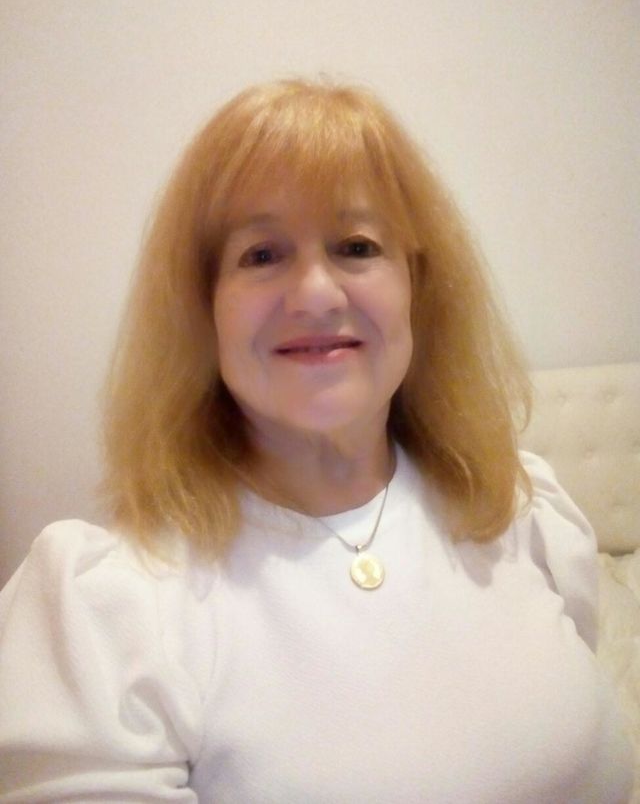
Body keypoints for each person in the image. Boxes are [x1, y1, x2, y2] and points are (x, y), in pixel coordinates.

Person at [0, 79, 633, 802]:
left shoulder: (521, 508)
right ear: (204, 308)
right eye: (262, 254)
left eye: (357, 246)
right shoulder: (105, 614)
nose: (316, 294)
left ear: (417, 288)